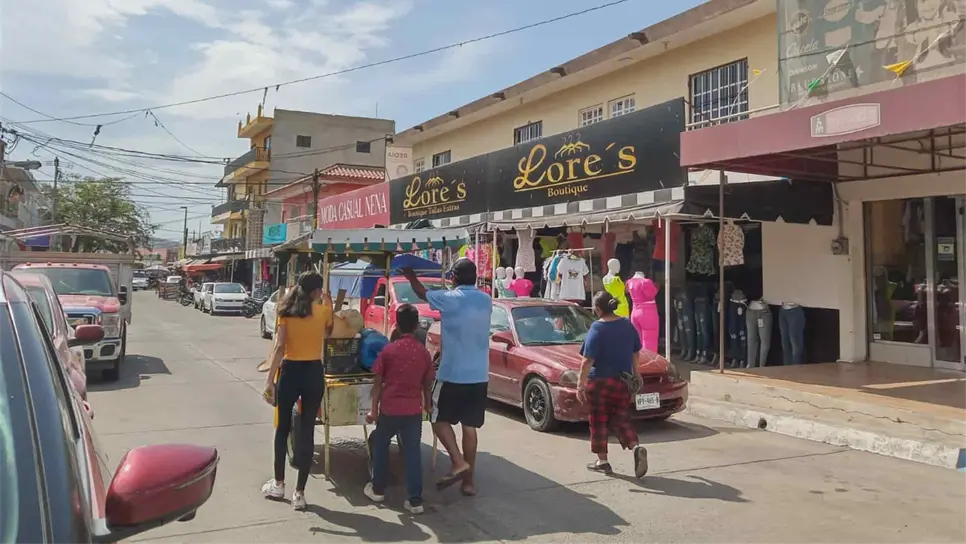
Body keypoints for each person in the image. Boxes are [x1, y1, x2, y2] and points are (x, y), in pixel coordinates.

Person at [401, 258, 490, 496]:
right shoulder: (485, 299)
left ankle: (458, 461)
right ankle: (469, 483)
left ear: (453, 278)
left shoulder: (449, 298)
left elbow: (421, 292)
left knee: (436, 417)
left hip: (453, 373)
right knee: (470, 428)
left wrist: (410, 275)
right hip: (479, 375)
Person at [261, 272, 334, 510]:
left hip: (290, 371)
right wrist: (330, 306)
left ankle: (279, 484)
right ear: (316, 291)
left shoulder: (286, 312)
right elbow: (328, 334)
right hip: (313, 372)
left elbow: (279, 347)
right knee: (307, 431)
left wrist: (269, 381)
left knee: (282, 429)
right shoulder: (323, 312)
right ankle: (299, 493)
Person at [364, 304, 434, 514]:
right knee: (413, 453)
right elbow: (427, 384)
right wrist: (428, 405)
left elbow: (377, 384)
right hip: (413, 410)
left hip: (390, 409)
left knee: (380, 443)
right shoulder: (423, 352)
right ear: (416, 325)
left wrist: (373, 411)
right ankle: (415, 501)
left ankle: (378, 489)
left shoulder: (388, 350)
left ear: (397, 324)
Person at [577, 291, 648, 478]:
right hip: (623, 381)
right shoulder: (627, 324)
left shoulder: (597, 328)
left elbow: (587, 360)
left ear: (598, 309)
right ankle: (635, 447)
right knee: (620, 417)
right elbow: (635, 352)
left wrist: (580, 384)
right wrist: (637, 374)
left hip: (599, 382)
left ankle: (603, 461)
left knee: (598, 420)